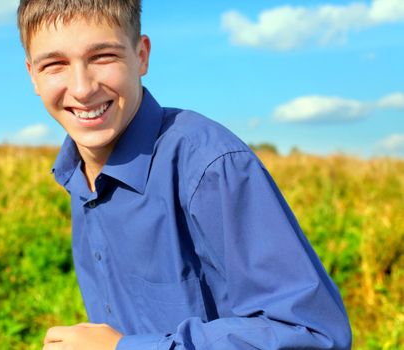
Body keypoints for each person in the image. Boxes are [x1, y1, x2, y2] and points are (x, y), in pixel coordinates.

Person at [18, 0, 352, 349]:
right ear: (33, 76)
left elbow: (313, 334)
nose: (83, 88)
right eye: (55, 64)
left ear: (141, 56)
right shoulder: (76, 172)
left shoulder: (210, 166)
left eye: (103, 57)